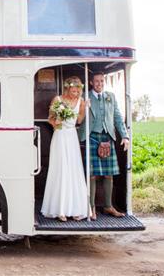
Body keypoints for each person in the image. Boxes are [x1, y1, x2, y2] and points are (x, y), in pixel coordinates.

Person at [78, 72, 130, 220]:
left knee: (109, 174)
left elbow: (117, 116)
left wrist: (125, 136)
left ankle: (108, 206)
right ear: (91, 82)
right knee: (92, 175)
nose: (99, 83)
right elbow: (79, 117)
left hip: (108, 137)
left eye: (101, 81)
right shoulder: (85, 96)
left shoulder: (110, 96)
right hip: (92, 137)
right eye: (96, 81)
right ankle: (91, 208)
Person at [41, 76, 89, 222]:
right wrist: (57, 124)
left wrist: (85, 109)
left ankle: (75, 208)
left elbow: (79, 120)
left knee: (74, 170)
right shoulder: (58, 99)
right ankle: (60, 209)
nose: (75, 93)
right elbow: (50, 118)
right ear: (67, 88)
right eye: (73, 90)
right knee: (61, 170)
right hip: (60, 136)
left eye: (77, 91)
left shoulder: (80, 101)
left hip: (72, 136)